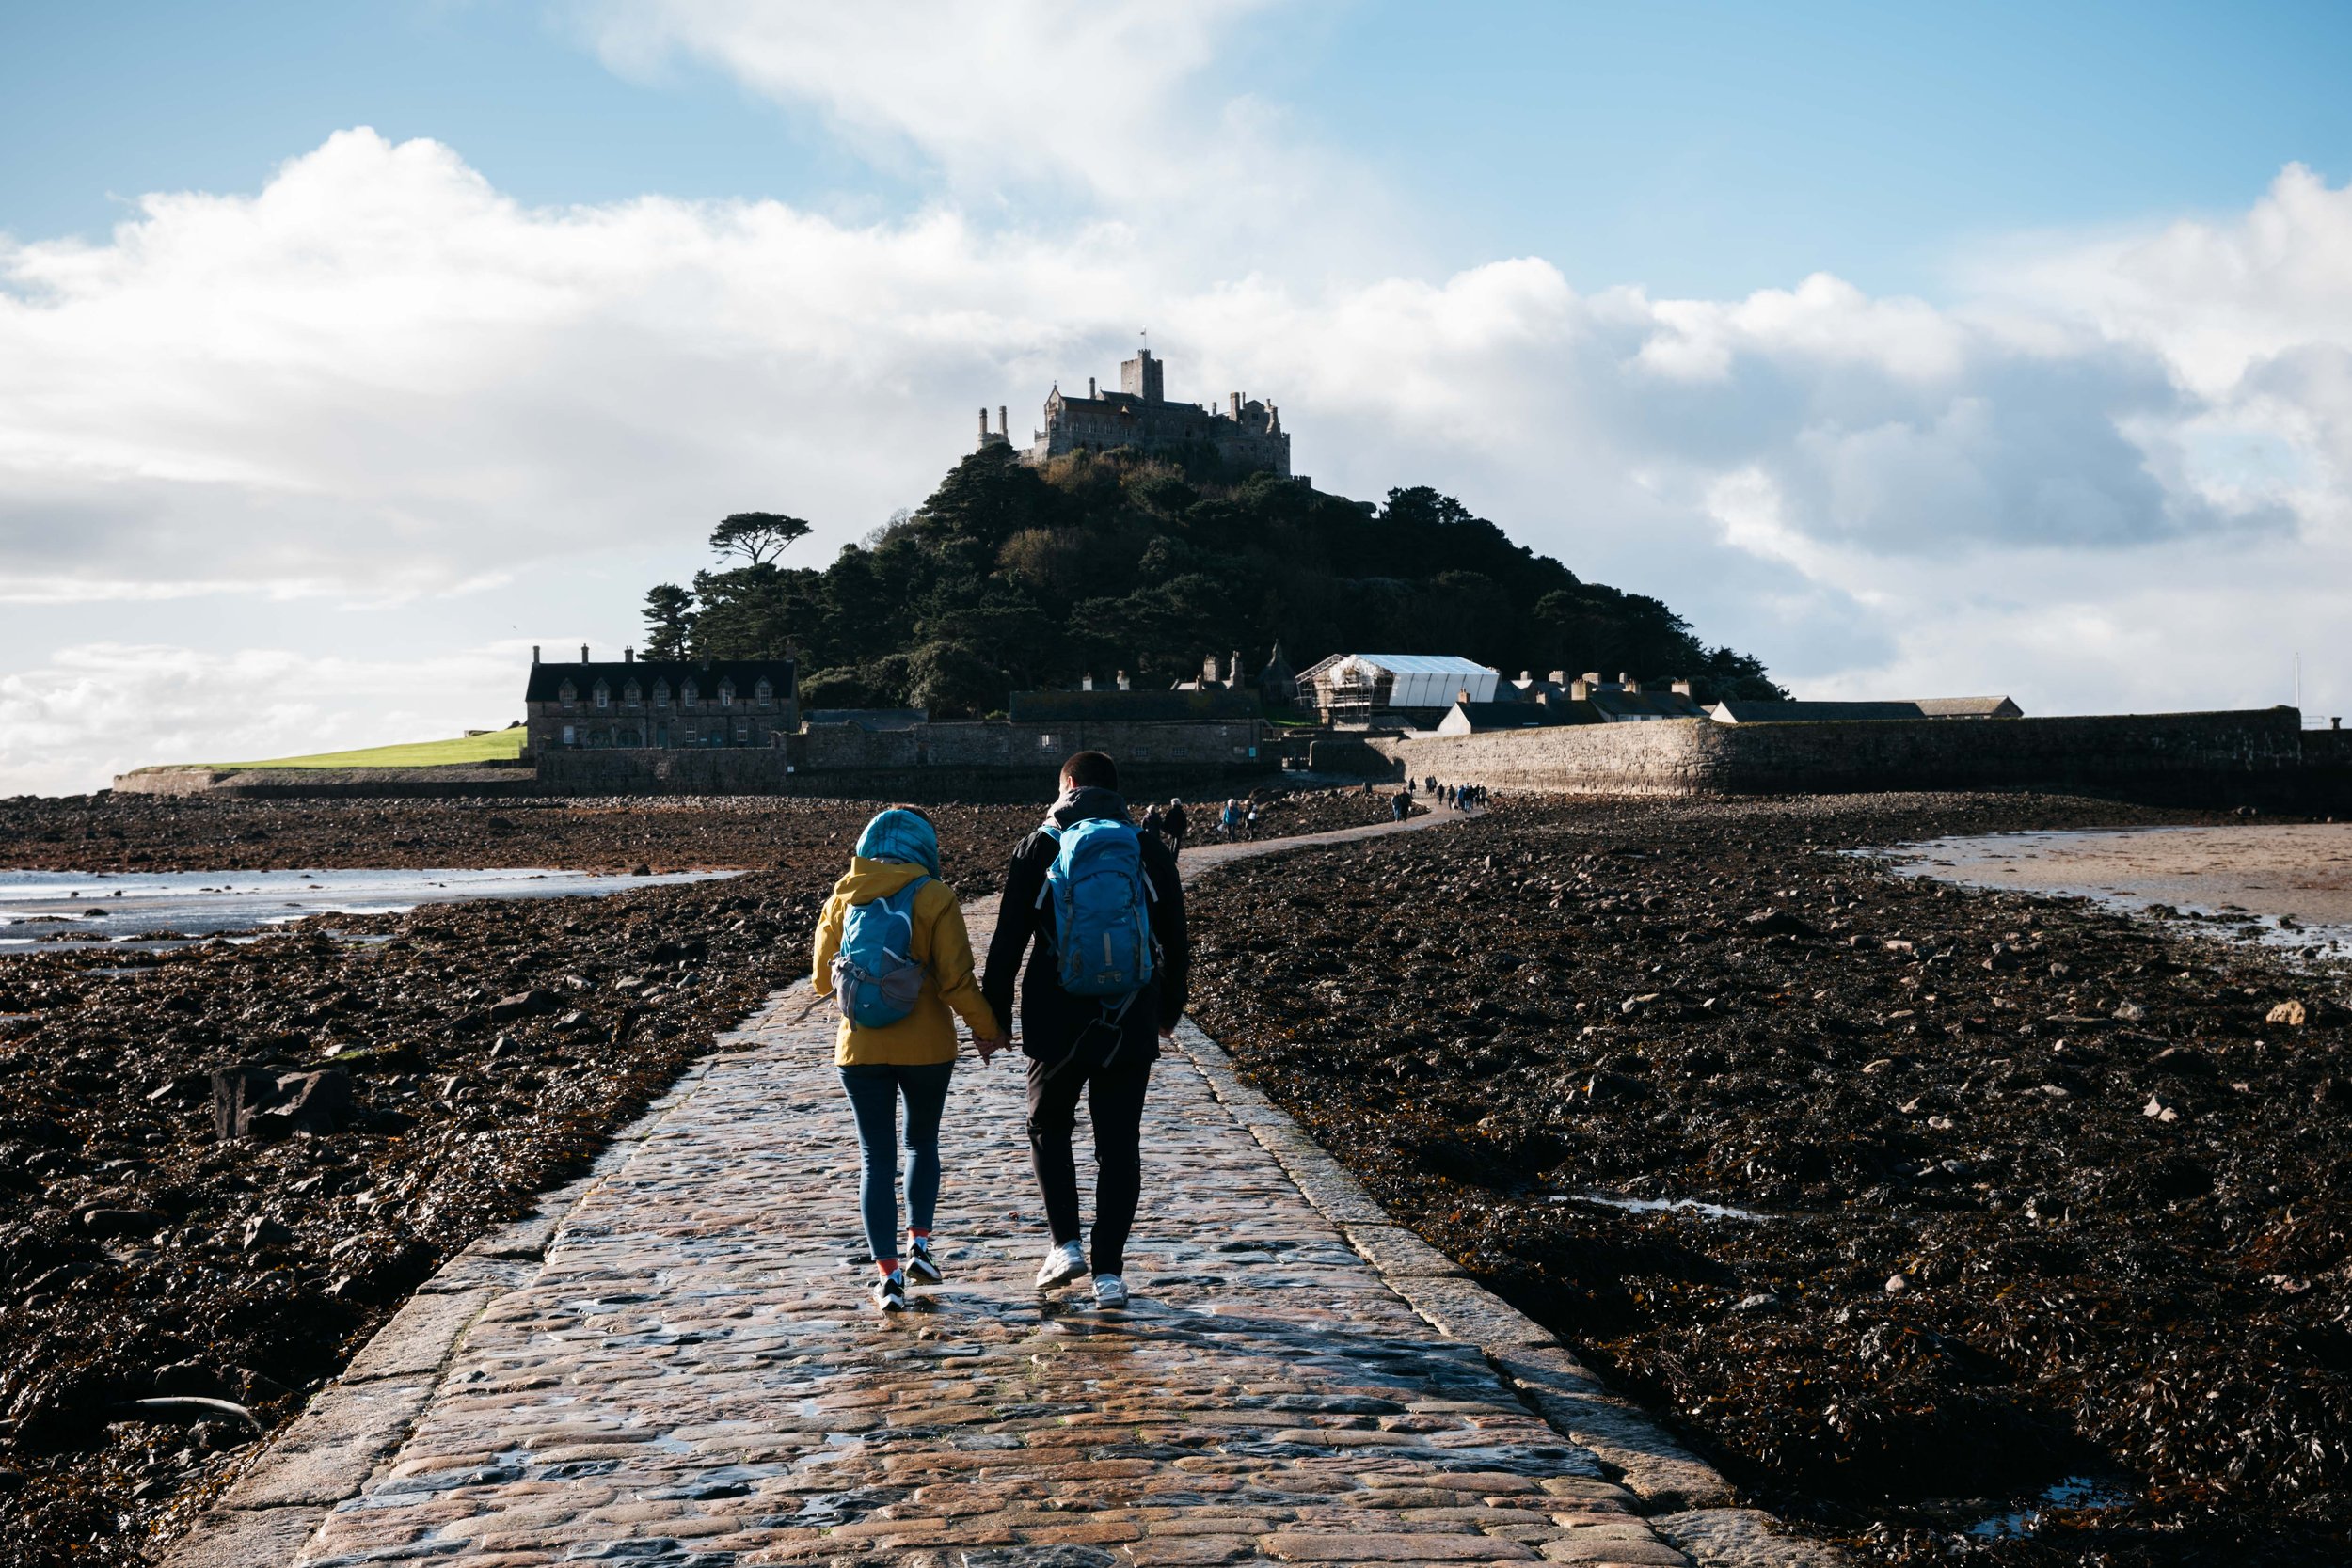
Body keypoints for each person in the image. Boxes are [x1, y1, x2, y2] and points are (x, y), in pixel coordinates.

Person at [982, 752, 1188, 1311]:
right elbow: (1175, 936)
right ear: (1115, 789)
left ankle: (1065, 1243)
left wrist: (993, 1019)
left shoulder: (1040, 844)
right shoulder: (1145, 847)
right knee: (1119, 1144)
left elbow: (1007, 942)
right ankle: (1110, 1276)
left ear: (1068, 785)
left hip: (1057, 1012)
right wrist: (1169, 1010)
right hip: (1131, 1011)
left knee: (1048, 1125)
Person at [812, 806, 1004, 1313]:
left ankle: (888, 1278)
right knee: (921, 1142)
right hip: (927, 1050)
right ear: (925, 848)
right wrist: (988, 1032)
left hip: (858, 1050)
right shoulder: (935, 896)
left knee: (876, 1158)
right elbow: (956, 981)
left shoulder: (843, 893)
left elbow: (818, 980)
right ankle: (920, 1247)